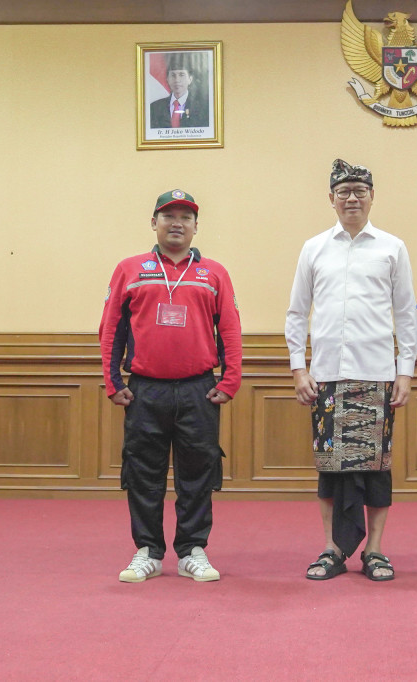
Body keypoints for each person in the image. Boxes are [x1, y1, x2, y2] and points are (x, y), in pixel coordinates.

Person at [285, 159, 417, 582]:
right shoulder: (314, 248)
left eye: (360, 191)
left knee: (376, 469)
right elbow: (296, 313)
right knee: (329, 467)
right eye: (343, 191)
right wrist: (299, 369)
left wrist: (404, 372)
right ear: (331, 198)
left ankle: (374, 550)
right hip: (326, 376)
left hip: (377, 375)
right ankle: (331, 548)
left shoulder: (392, 247)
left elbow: (406, 315)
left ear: (372, 196)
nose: (352, 198)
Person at [100, 189, 242, 583]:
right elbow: (111, 328)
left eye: (185, 217)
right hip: (145, 390)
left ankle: (192, 550)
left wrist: (230, 380)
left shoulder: (213, 273)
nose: (176, 223)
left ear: (196, 226)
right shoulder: (130, 269)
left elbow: (230, 330)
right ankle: (147, 550)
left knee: (198, 472)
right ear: (154, 223)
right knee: (142, 472)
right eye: (168, 216)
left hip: (199, 390)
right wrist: (113, 381)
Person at [149, 60, 210, 129]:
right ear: (167, 79)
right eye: (173, 75)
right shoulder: (154, 108)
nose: (177, 80)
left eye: (181, 75)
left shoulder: (204, 108)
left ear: (190, 79)